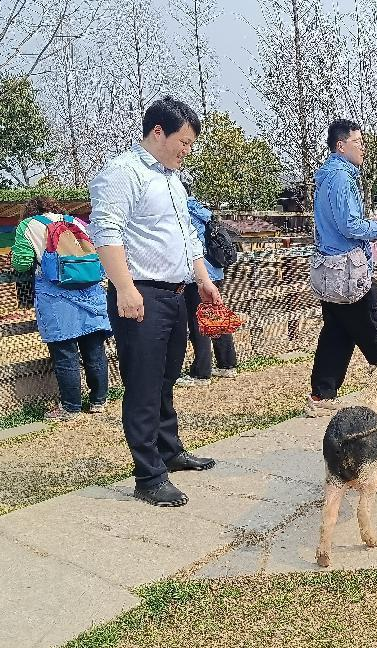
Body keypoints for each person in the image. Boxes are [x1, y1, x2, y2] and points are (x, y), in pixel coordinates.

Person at [88, 96, 220, 508]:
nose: (187, 150)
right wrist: (124, 288)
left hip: (177, 294)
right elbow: (106, 231)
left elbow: (188, 238)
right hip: (141, 293)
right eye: (183, 141)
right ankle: (148, 475)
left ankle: (169, 449)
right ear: (158, 132)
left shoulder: (172, 179)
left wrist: (203, 280)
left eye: (191, 144)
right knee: (143, 386)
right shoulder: (122, 173)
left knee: (166, 379)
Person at [306, 118, 377, 417]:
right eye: (358, 143)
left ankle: (321, 395)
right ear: (341, 145)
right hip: (349, 270)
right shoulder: (342, 178)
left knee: (337, 332)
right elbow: (349, 225)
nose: (363, 148)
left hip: (329, 268)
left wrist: (371, 222)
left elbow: (335, 224)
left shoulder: (325, 178)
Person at [11, 197, 111, 420]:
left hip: (56, 296)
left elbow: (21, 263)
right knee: (95, 351)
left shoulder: (28, 226)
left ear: (30, 211)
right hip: (90, 293)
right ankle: (98, 400)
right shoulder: (75, 221)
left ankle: (71, 407)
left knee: (65, 354)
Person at [175, 192, 238, 387]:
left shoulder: (180, 210)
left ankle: (202, 372)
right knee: (216, 316)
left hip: (198, 275)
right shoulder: (203, 211)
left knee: (198, 323)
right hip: (216, 272)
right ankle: (227, 364)